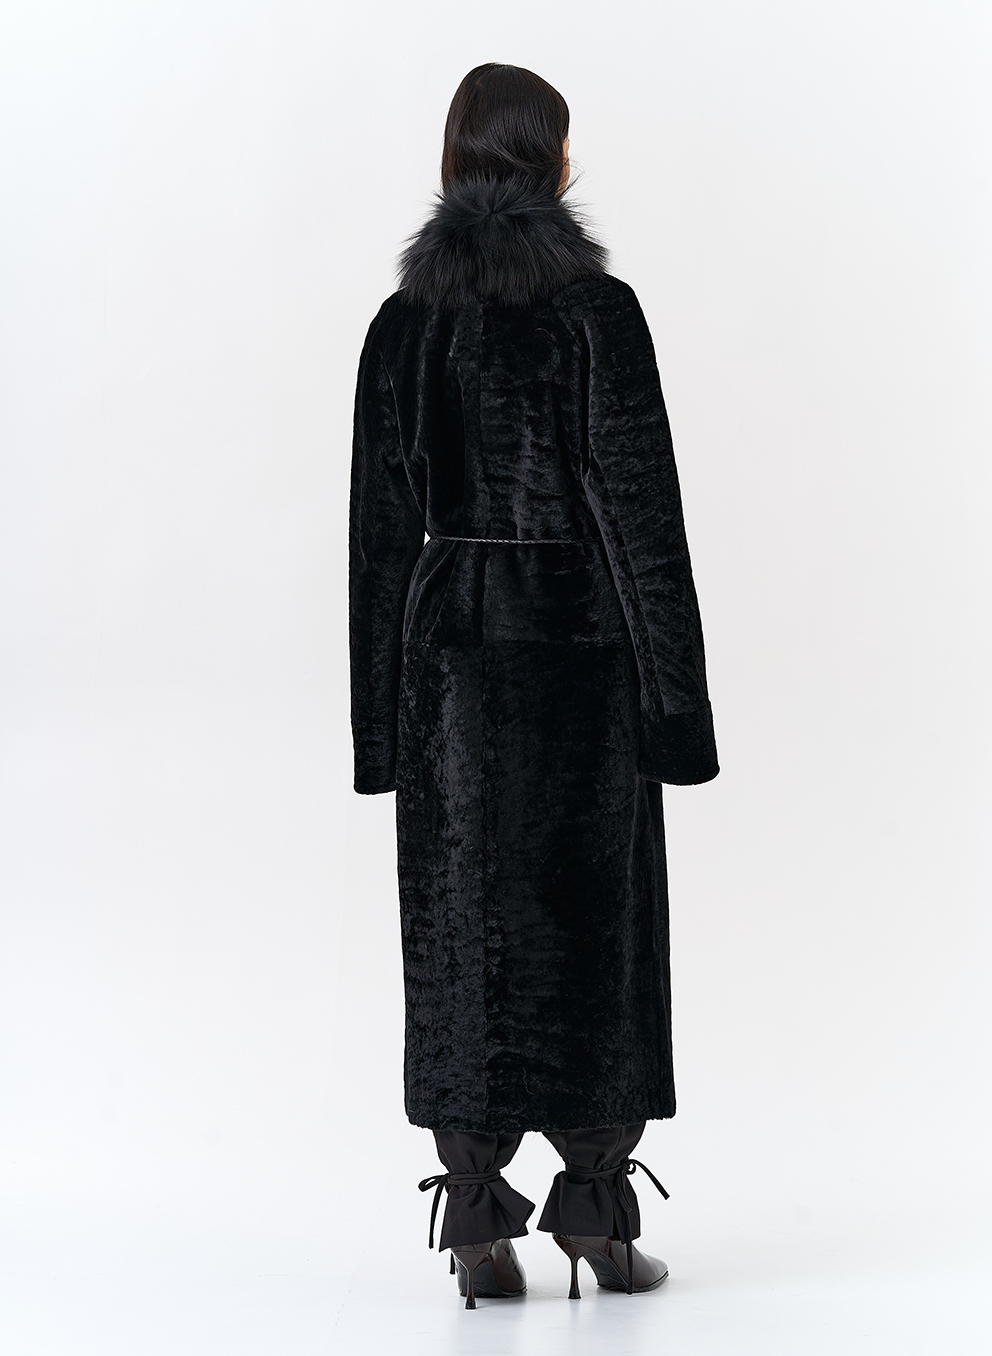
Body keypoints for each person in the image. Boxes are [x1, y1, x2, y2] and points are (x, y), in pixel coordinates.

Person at [348, 62, 719, 1310]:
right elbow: (642, 520)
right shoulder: (595, 315)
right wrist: (675, 712)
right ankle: (599, 1226)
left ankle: (476, 1228)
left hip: (446, 661)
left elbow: (376, 539)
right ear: (553, 164)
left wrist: (377, 730)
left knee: (462, 932)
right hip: (579, 653)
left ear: (454, 160)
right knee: (595, 930)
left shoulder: (403, 324)